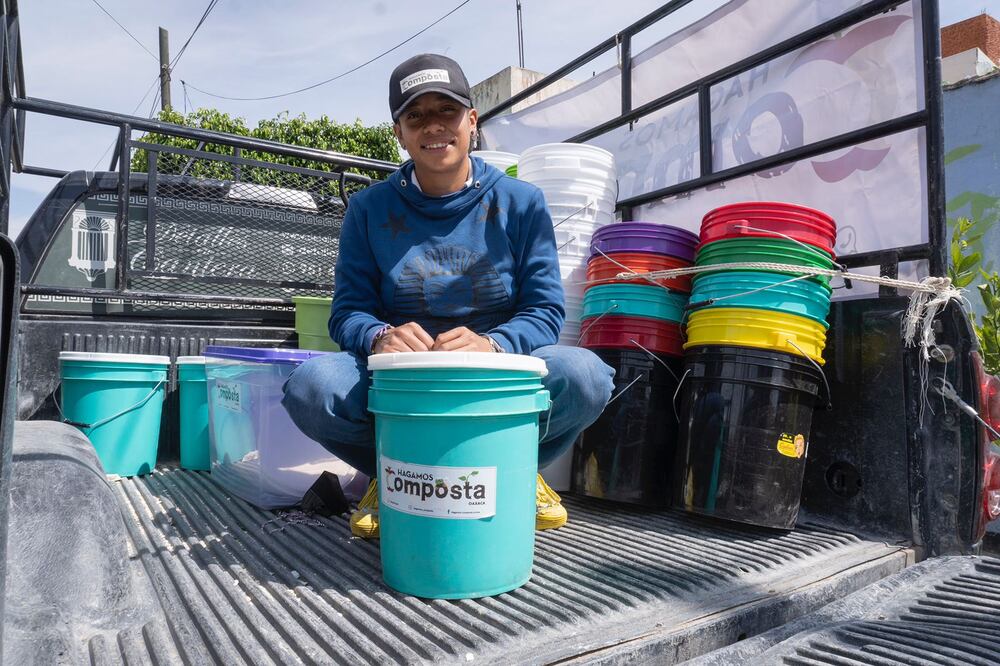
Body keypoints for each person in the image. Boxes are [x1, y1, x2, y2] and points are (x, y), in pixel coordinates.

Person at [282, 53, 614, 538]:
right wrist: (377, 336)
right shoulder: (367, 208)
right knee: (309, 387)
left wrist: (493, 345)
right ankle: (391, 472)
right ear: (398, 131)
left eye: (447, 110)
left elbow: (545, 310)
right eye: (415, 115)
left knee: (587, 376)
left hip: (496, 375)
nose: (433, 126)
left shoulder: (523, 203)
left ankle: (518, 471)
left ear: (472, 121)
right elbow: (347, 312)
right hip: (400, 381)